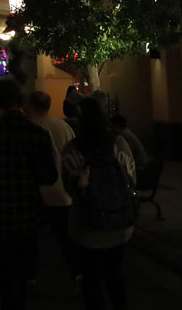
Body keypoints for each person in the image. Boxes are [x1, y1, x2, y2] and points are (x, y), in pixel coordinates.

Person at [0, 80, 57, 310]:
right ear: (20, 101)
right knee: (23, 268)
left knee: (4, 272)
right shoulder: (37, 133)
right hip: (29, 212)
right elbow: (49, 176)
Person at [61, 97, 137, 310]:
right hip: (119, 223)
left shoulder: (72, 149)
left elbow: (69, 187)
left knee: (91, 279)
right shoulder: (119, 144)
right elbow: (131, 178)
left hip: (86, 225)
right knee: (116, 275)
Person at [27, 91, 79, 286]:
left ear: (31, 105)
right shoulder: (63, 126)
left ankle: (31, 274)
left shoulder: (32, 128)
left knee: (32, 237)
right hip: (63, 191)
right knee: (65, 237)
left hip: (39, 191)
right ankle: (76, 273)